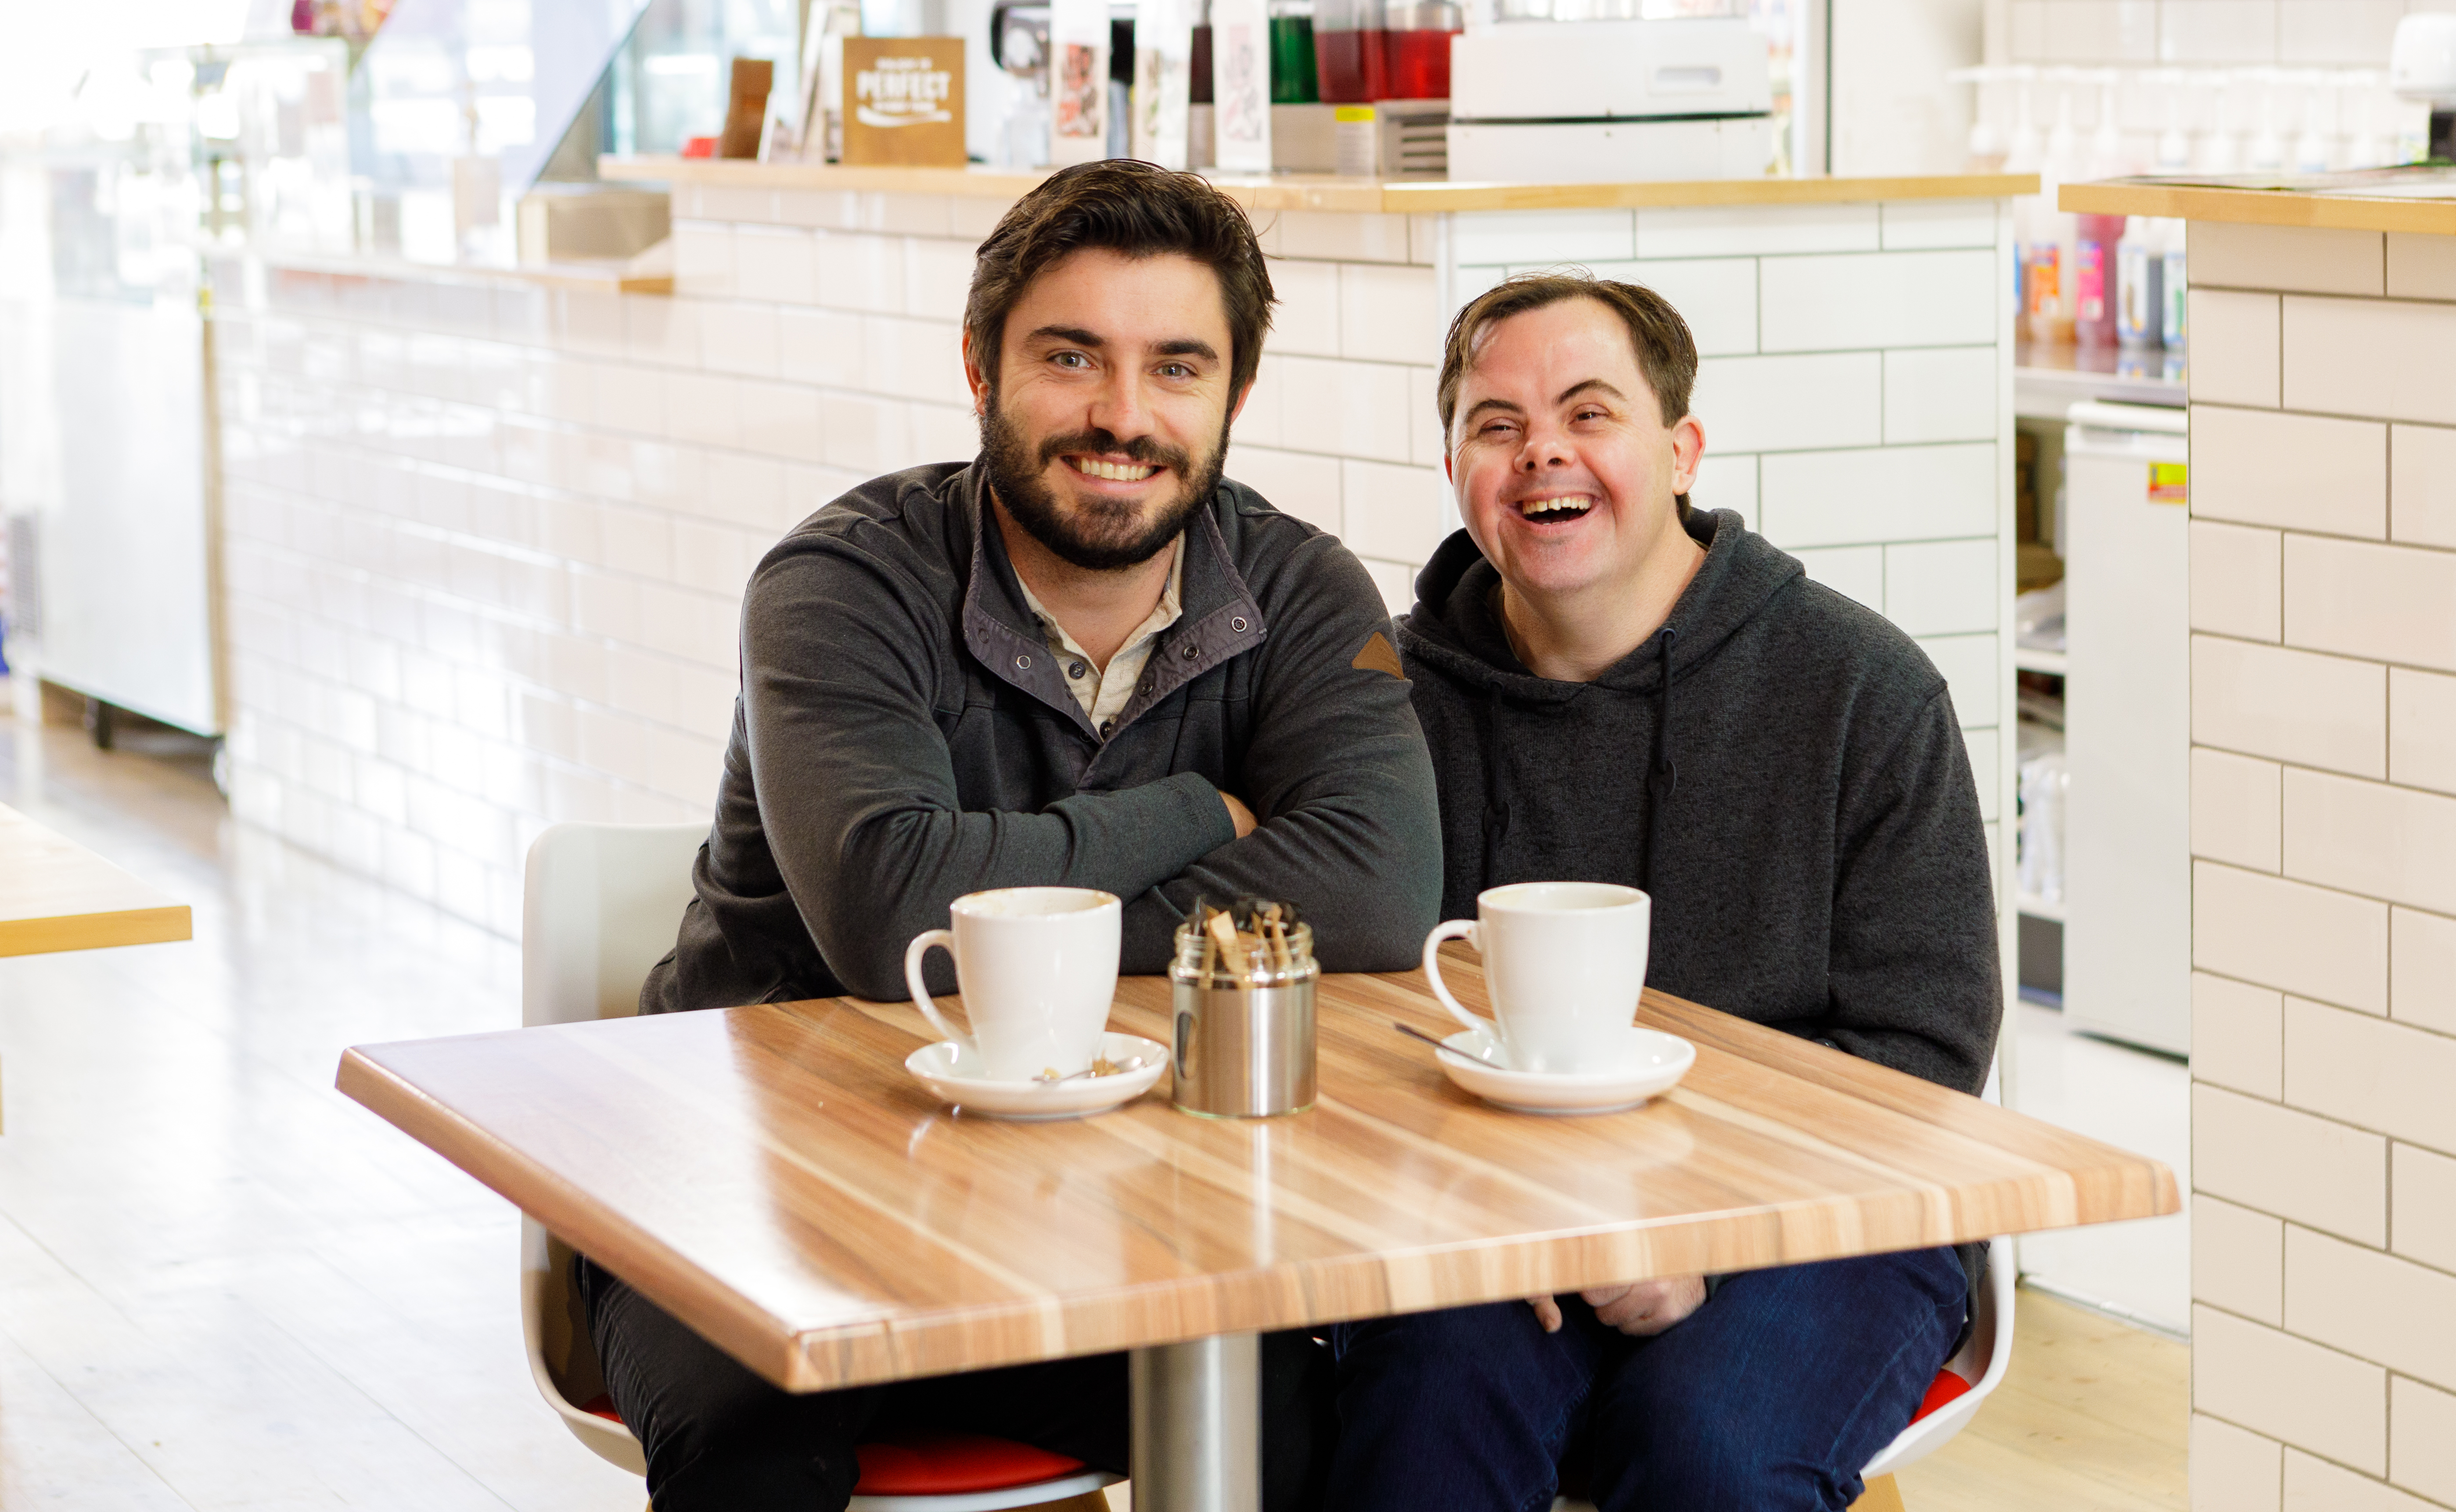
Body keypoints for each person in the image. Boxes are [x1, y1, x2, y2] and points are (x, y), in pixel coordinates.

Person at [591, 159, 1443, 1512]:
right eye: (1069, 357)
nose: (1122, 415)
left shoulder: (1295, 584)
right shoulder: (841, 583)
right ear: (980, 370)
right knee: (751, 1461)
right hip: (756, 1187)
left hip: (1113, 1200)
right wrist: (1197, 816)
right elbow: (889, 917)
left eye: (1176, 367)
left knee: (1288, 1422)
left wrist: (988, 884)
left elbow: (1379, 889)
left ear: (1232, 397)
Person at [1330, 271, 2002, 1512]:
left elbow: (1925, 1050)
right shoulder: (1385, 695)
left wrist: (1706, 1233)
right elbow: (1353, 998)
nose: (1542, 452)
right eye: (1495, 424)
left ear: (1679, 452)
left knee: (1703, 1450)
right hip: (1496, 1202)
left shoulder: (1860, 689)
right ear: (1454, 468)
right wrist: (1486, 1199)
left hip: (1826, 1211)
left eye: (1589, 413)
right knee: (1417, 1407)